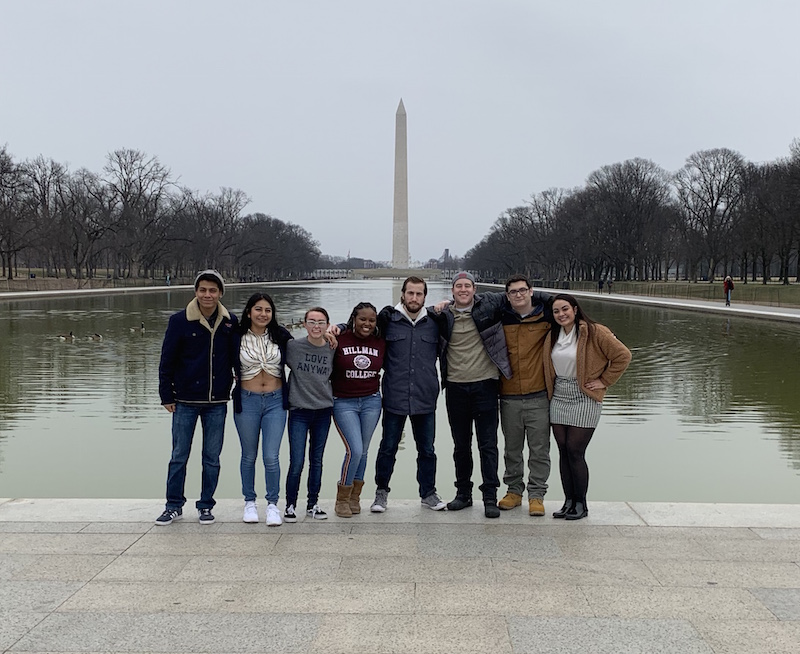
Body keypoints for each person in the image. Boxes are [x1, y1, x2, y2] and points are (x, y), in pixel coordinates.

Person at [156, 270, 238, 525]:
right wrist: (166, 395)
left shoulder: (230, 322)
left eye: (213, 290)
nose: (207, 295)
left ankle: (205, 504)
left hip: (217, 402)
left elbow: (240, 356)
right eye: (203, 290)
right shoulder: (179, 321)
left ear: (220, 293)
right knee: (179, 455)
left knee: (212, 457)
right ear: (196, 292)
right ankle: (173, 504)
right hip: (185, 400)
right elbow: (166, 361)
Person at [543, 293, 631, 520]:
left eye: (565, 309)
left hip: (585, 395)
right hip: (559, 394)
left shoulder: (594, 331)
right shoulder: (552, 334)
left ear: (574, 309)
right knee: (562, 450)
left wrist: (604, 381)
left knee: (575, 450)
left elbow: (623, 355)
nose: (561, 314)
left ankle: (581, 504)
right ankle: (568, 501)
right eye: (556, 311)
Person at [437, 272, 509, 518]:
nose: (463, 290)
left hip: (485, 385)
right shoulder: (443, 315)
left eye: (467, 286)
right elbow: (405, 313)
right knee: (461, 446)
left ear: (474, 289)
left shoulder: (489, 307)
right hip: (456, 387)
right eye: (459, 286)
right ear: (453, 290)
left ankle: (490, 496)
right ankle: (463, 494)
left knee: (488, 445)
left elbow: (521, 296)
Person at [371, 276, 446, 512]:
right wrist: (337, 328)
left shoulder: (436, 321)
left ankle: (428, 493)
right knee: (388, 447)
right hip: (395, 394)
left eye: (419, 294)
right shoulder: (388, 320)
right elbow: (360, 327)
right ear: (402, 294)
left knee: (427, 449)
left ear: (425, 296)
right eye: (410, 293)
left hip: (425, 396)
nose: (414, 298)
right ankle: (381, 493)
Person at [495, 275, 553, 517]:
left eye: (522, 290)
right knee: (512, 448)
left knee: (540, 449)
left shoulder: (547, 318)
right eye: (513, 292)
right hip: (508, 396)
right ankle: (514, 491)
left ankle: (537, 494)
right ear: (507, 296)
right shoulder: (500, 319)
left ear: (531, 291)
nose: (518, 295)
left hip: (538, 395)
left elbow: (574, 312)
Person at [232, 293, 292, 527]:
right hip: (247, 400)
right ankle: (249, 501)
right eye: (258, 309)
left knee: (271, 456)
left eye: (268, 310)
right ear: (249, 312)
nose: (263, 314)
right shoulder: (236, 336)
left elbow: (308, 345)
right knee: (248, 456)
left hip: (276, 401)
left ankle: (272, 504)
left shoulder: (281, 335)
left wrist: (333, 332)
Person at [331, 302, 385, 517]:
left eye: (372, 320)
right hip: (344, 402)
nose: (367, 324)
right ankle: (341, 497)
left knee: (363, 451)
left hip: (372, 400)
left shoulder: (381, 341)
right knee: (354, 449)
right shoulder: (339, 338)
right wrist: (334, 327)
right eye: (363, 319)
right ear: (353, 318)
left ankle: (355, 497)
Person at [284, 307, 335, 522]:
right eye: (312, 322)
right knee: (296, 461)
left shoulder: (333, 348)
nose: (316, 326)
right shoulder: (293, 347)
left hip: (323, 411)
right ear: (304, 324)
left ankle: (313, 503)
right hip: (299, 411)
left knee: (317, 460)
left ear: (327, 325)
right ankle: (290, 504)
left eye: (321, 322)